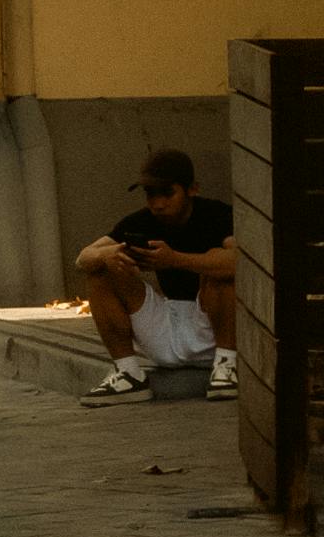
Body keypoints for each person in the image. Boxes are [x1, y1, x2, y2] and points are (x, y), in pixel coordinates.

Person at [76, 146, 239, 400]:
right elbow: (83, 258)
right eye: (151, 193)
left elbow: (240, 262)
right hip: (166, 326)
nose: (158, 203)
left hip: (211, 326)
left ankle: (227, 365)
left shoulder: (216, 214)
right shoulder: (142, 220)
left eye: (167, 193)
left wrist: (175, 260)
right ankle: (128, 373)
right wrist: (109, 255)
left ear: (192, 189)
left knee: (219, 266)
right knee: (99, 271)